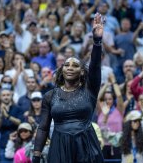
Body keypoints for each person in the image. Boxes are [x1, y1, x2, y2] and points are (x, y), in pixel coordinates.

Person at [33, 13, 104, 163]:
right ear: (61, 70)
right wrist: (36, 155)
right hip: (60, 147)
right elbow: (43, 128)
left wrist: (97, 42)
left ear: (82, 71)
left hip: (86, 145)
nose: (70, 68)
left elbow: (96, 65)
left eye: (75, 65)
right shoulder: (50, 96)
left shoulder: (89, 89)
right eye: (66, 65)